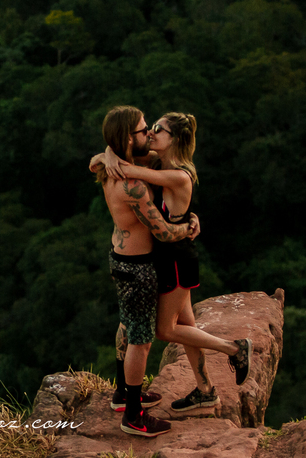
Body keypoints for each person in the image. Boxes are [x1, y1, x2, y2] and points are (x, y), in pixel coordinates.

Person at [94, 112, 251, 414]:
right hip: (165, 257)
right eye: (149, 128)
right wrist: (108, 152)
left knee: (166, 330)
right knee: (187, 325)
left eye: (158, 130)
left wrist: (111, 155)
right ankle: (206, 391)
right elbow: (109, 162)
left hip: (177, 257)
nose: (151, 133)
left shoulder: (177, 174)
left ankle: (234, 349)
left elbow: (131, 172)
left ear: (174, 140)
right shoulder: (158, 161)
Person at [95, 105, 192, 437]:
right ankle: (133, 415)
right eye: (141, 130)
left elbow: (99, 158)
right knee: (141, 340)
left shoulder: (114, 169)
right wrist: (190, 227)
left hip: (119, 258)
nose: (147, 133)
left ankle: (123, 393)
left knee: (127, 324)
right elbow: (162, 231)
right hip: (138, 268)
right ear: (127, 137)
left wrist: (107, 154)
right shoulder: (132, 184)